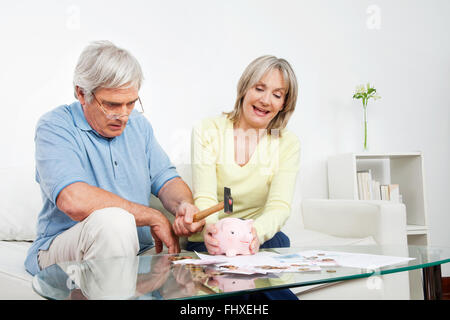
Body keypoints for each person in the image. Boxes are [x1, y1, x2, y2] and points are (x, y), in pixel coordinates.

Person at [25, 40, 203, 276]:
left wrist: (183, 206)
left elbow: (167, 179)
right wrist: (152, 216)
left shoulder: (139, 126)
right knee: (114, 223)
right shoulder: (55, 126)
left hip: (137, 251)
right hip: (64, 250)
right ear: (81, 92)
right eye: (112, 104)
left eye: (131, 103)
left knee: (190, 274)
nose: (124, 115)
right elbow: (74, 200)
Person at [176, 55, 300, 299]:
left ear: (284, 103)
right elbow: (205, 195)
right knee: (236, 288)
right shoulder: (207, 130)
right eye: (259, 88)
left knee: (275, 254)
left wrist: (255, 234)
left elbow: (279, 206)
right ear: (245, 88)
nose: (265, 100)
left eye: (277, 94)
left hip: (260, 238)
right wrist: (214, 231)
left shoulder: (288, 143)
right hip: (211, 239)